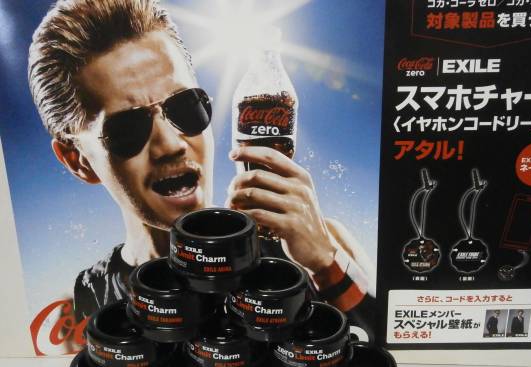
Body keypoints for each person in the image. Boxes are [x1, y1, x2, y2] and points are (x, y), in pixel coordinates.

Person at [28, 0, 376, 339]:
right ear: (78, 160)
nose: (171, 145)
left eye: (184, 106)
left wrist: (325, 265)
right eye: (128, 129)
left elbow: (383, 350)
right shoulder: (78, 310)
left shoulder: (322, 245)